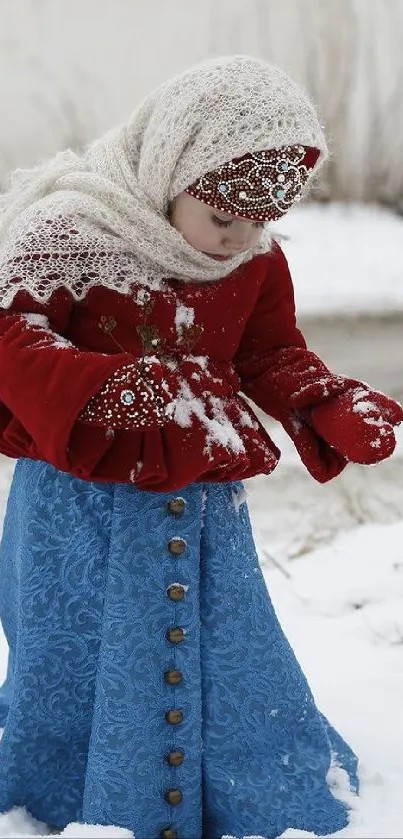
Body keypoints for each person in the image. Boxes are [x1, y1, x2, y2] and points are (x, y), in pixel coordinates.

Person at [0, 54, 401, 839]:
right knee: (76, 666)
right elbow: (12, 336)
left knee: (218, 651)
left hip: (200, 506)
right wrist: (97, 383)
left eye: (260, 222)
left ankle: (245, 792)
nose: (239, 239)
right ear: (170, 169)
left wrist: (324, 402)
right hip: (75, 512)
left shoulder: (254, 259)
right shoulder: (68, 232)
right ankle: (72, 799)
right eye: (221, 218)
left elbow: (267, 353)